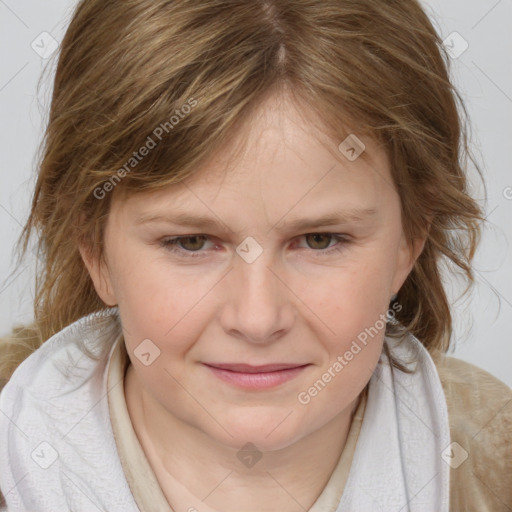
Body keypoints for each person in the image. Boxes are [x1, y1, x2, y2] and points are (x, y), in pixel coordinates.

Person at [0, 0, 510, 510]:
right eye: (192, 243)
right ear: (93, 249)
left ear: (410, 241)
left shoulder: (494, 466)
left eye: (319, 240)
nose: (258, 319)